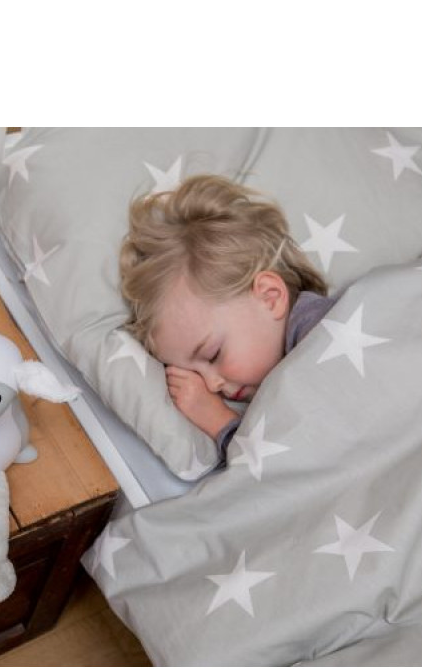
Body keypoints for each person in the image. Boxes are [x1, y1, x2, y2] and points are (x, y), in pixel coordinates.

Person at [120, 174, 336, 462]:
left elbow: (288, 463)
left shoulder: (325, 331)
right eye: (196, 374)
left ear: (270, 298)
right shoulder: (278, 394)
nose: (211, 386)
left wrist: (218, 421)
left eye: (213, 355)